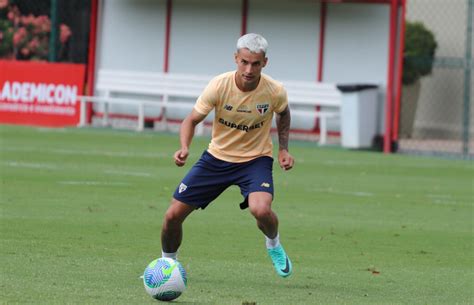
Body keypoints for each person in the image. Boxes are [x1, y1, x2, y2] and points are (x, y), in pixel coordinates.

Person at [160, 33, 294, 278]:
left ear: (265, 62)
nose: (249, 69)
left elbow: (283, 114)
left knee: (261, 210)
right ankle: (167, 266)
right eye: (244, 62)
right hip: (216, 159)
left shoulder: (274, 90)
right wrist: (184, 147)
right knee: (172, 216)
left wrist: (283, 148)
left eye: (255, 63)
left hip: (255, 160)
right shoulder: (219, 85)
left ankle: (273, 244)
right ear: (236, 58)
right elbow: (191, 120)